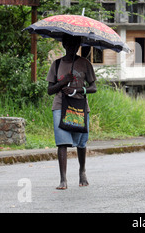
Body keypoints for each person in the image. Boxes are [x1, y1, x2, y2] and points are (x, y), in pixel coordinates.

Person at [47, 34, 97, 190]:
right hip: (60, 105)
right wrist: (63, 82)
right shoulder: (56, 65)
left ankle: (82, 171)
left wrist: (77, 89)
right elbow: (49, 90)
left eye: (75, 45)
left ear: (78, 46)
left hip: (79, 106)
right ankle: (63, 179)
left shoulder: (85, 64)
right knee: (62, 142)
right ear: (64, 45)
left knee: (81, 142)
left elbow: (93, 87)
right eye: (69, 45)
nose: (72, 48)